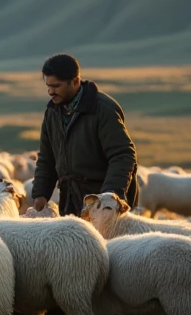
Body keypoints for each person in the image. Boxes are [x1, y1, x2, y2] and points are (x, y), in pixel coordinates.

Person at [32, 53, 138, 217]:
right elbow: (47, 156)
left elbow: (122, 155)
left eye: (56, 86)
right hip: (71, 201)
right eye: (48, 86)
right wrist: (40, 193)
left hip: (104, 206)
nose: (50, 92)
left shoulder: (103, 109)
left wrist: (109, 198)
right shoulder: (53, 112)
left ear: (75, 81)